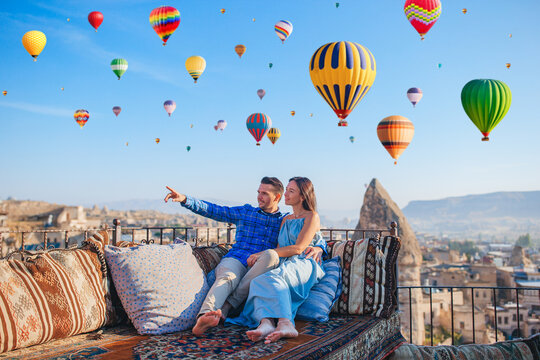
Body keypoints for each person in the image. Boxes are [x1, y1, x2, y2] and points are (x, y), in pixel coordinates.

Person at [164, 177, 324, 336]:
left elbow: (308, 236)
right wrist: (185, 200)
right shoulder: (246, 212)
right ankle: (204, 316)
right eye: (259, 192)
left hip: (259, 265)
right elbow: (215, 210)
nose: (259, 197)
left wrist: (319, 247)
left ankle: (227, 306)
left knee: (271, 256)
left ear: (277, 197)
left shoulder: (284, 220)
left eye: (265, 193)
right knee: (228, 277)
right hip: (237, 259)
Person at [226, 177, 326, 344]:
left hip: (303, 262)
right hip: (285, 262)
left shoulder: (312, 216)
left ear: (302, 196)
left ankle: (286, 323)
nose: (285, 194)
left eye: (290, 191)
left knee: (273, 278)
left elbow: (299, 248)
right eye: (286, 189)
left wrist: (320, 248)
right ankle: (266, 323)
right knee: (258, 281)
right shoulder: (285, 220)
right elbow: (280, 247)